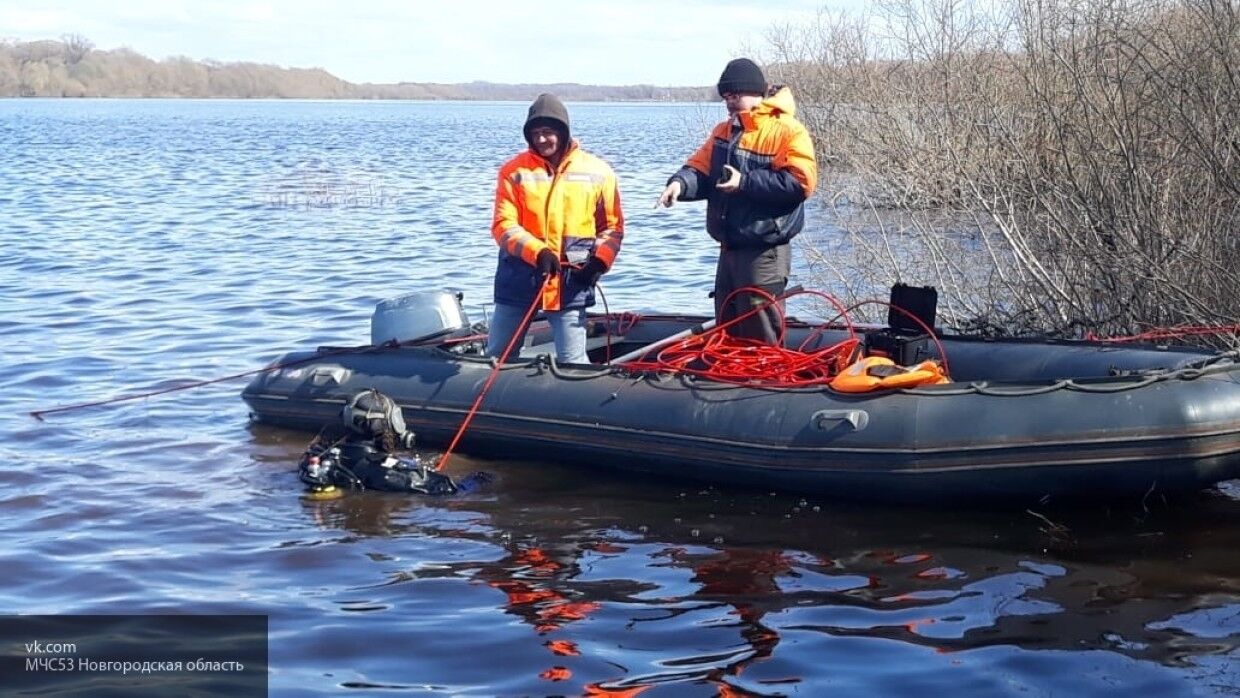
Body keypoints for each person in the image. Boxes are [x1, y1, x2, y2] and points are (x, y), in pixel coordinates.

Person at [658, 58, 817, 344]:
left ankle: (766, 382)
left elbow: (800, 183)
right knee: (728, 325)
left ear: (756, 92)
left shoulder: (788, 131)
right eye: (726, 97)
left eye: (736, 96)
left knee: (761, 328)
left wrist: (744, 183)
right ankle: (728, 381)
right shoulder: (724, 131)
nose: (730, 103)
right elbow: (700, 169)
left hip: (765, 251)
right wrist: (679, 184)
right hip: (729, 247)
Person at [488, 93, 624, 364]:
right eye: (535, 133)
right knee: (497, 358)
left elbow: (612, 227)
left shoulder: (599, 172)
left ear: (562, 132)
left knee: (573, 362)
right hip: (518, 280)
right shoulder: (512, 171)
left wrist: (599, 263)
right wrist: (537, 252)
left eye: (548, 132)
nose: (541, 139)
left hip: (572, 284)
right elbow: (503, 226)